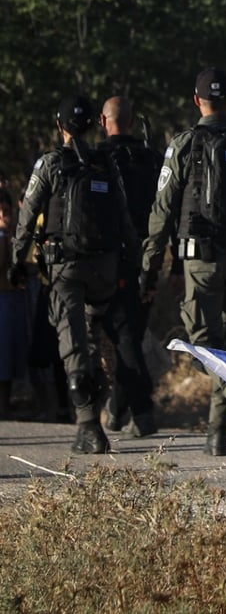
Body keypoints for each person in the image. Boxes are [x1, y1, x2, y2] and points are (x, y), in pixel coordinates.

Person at [142, 68, 226, 458]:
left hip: (200, 261)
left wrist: (149, 269)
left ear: (196, 100)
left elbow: (162, 211)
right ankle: (216, 436)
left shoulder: (185, 144)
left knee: (204, 345)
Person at [9, 95, 140, 453]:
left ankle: (87, 425)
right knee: (93, 337)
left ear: (60, 125)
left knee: (73, 345)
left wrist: (17, 262)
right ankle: (101, 405)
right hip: (105, 269)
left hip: (65, 268)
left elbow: (27, 217)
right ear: (92, 125)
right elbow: (125, 221)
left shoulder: (50, 163)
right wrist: (133, 266)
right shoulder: (106, 164)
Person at [96, 96, 162, 437]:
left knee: (125, 336)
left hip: (114, 259)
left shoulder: (98, 159)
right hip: (149, 258)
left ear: (104, 121)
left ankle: (141, 409)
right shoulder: (150, 158)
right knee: (131, 335)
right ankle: (119, 411)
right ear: (132, 122)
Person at [0, 189, 29, 418]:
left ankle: (6, 403)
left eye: (7, 212)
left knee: (10, 354)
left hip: (12, 299)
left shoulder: (17, 236)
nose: (4, 217)